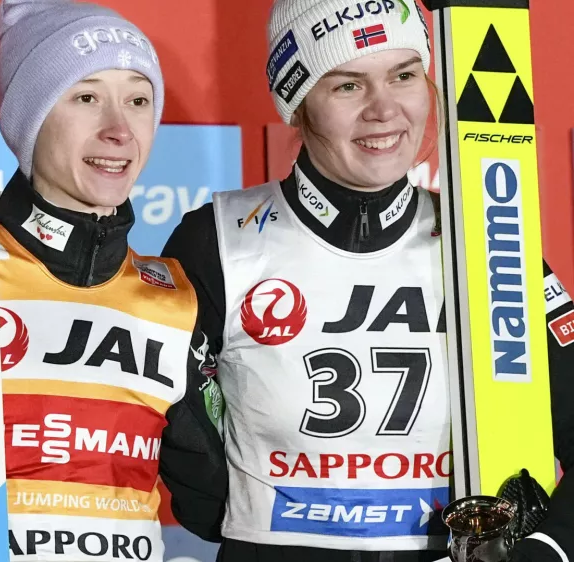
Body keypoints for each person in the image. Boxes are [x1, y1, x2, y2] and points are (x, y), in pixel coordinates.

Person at [160, 0, 574, 561]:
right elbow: (174, 429)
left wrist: (544, 546)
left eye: (404, 75)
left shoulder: (489, 239)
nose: (385, 110)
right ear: (298, 102)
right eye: (347, 85)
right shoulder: (218, 239)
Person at [0, 0, 224, 559]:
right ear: (28, 118)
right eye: (86, 97)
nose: (118, 130)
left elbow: (215, 506)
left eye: (138, 100)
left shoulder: (173, 298)